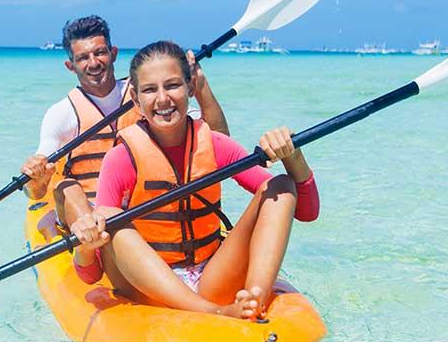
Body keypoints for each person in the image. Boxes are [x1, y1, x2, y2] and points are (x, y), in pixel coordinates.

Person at [69, 40, 320, 320]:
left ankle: (253, 300)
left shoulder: (215, 144)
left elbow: (305, 212)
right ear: (137, 101)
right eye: (150, 90)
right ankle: (216, 313)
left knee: (282, 185)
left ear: (190, 87)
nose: (162, 99)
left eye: (173, 85)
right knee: (112, 220)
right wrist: (85, 246)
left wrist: (293, 157)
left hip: (210, 276)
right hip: (152, 288)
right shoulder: (121, 158)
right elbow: (91, 275)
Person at [20, 15, 229, 232]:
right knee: (67, 187)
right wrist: (35, 180)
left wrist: (199, 82)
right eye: (83, 57)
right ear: (70, 66)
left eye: (100, 52)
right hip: (88, 218)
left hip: (144, 207)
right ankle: (93, 247)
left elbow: (218, 144)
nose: (93, 63)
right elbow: (35, 192)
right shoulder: (62, 113)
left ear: (114, 54)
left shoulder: (147, 94)